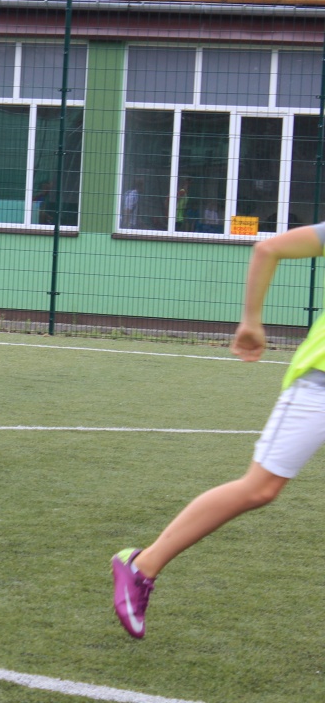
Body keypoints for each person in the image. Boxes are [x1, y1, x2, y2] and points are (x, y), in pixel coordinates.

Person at [112, 222, 325, 639]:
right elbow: (268, 249)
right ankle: (142, 565)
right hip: (319, 381)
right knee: (260, 489)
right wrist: (251, 322)